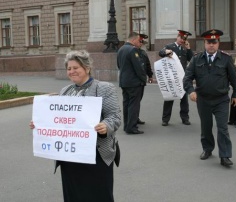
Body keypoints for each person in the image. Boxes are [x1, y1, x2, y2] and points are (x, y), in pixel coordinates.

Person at [29, 50, 121, 202]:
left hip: (96, 155)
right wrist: (40, 124)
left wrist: (105, 126)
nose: (72, 71)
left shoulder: (104, 88)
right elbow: (58, 119)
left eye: (75, 68)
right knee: (74, 195)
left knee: (99, 194)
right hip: (70, 156)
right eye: (69, 68)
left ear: (87, 68)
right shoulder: (65, 91)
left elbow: (115, 116)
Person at [183, 29, 236, 167]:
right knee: (206, 127)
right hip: (203, 100)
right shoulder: (196, 59)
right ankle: (207, 149)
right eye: (209, 42)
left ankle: (225, 155)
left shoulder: (226, 58)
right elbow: (187, 79)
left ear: (218, 43)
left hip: (221, 99)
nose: (211, 45)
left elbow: (234, 79)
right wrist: (191, 91)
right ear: (204, 43)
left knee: (222, 128)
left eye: (214, 42)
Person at [159, 30, 194, 126]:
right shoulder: (170, 46)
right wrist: (166, 52)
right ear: (177, 37)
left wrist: (189, 48)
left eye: (184, 39)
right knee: (169, 98)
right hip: (171, 77)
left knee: (184, 99)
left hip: (182, 77)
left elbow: (192, 59)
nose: (182, 40)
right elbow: (160, 53)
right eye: (181, 38)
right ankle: (165, 119)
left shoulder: (184, 49)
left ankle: (185, 118)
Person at [117, 32, 147, 134]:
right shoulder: (133, 50)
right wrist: (143, 79)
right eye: (139, 40)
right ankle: (132, 127)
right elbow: (139, 68)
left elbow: (119, 65)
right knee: (134, 105)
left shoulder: (121, 49)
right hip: (134, 83)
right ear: (134, 40)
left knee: (126, 104)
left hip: (124, 81)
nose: (139, 42)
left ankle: (127, 126)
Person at [137, 33, 154, 125]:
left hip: (142, 80)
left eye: (142, 42)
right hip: (135, 81)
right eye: (140, 41)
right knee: (134, 102)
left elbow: (147, 65)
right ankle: (132, 120)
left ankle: (136, 117)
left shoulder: (143, 53)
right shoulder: (132, 52)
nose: (141, 44)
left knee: (138, 100)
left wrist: (150, 76)